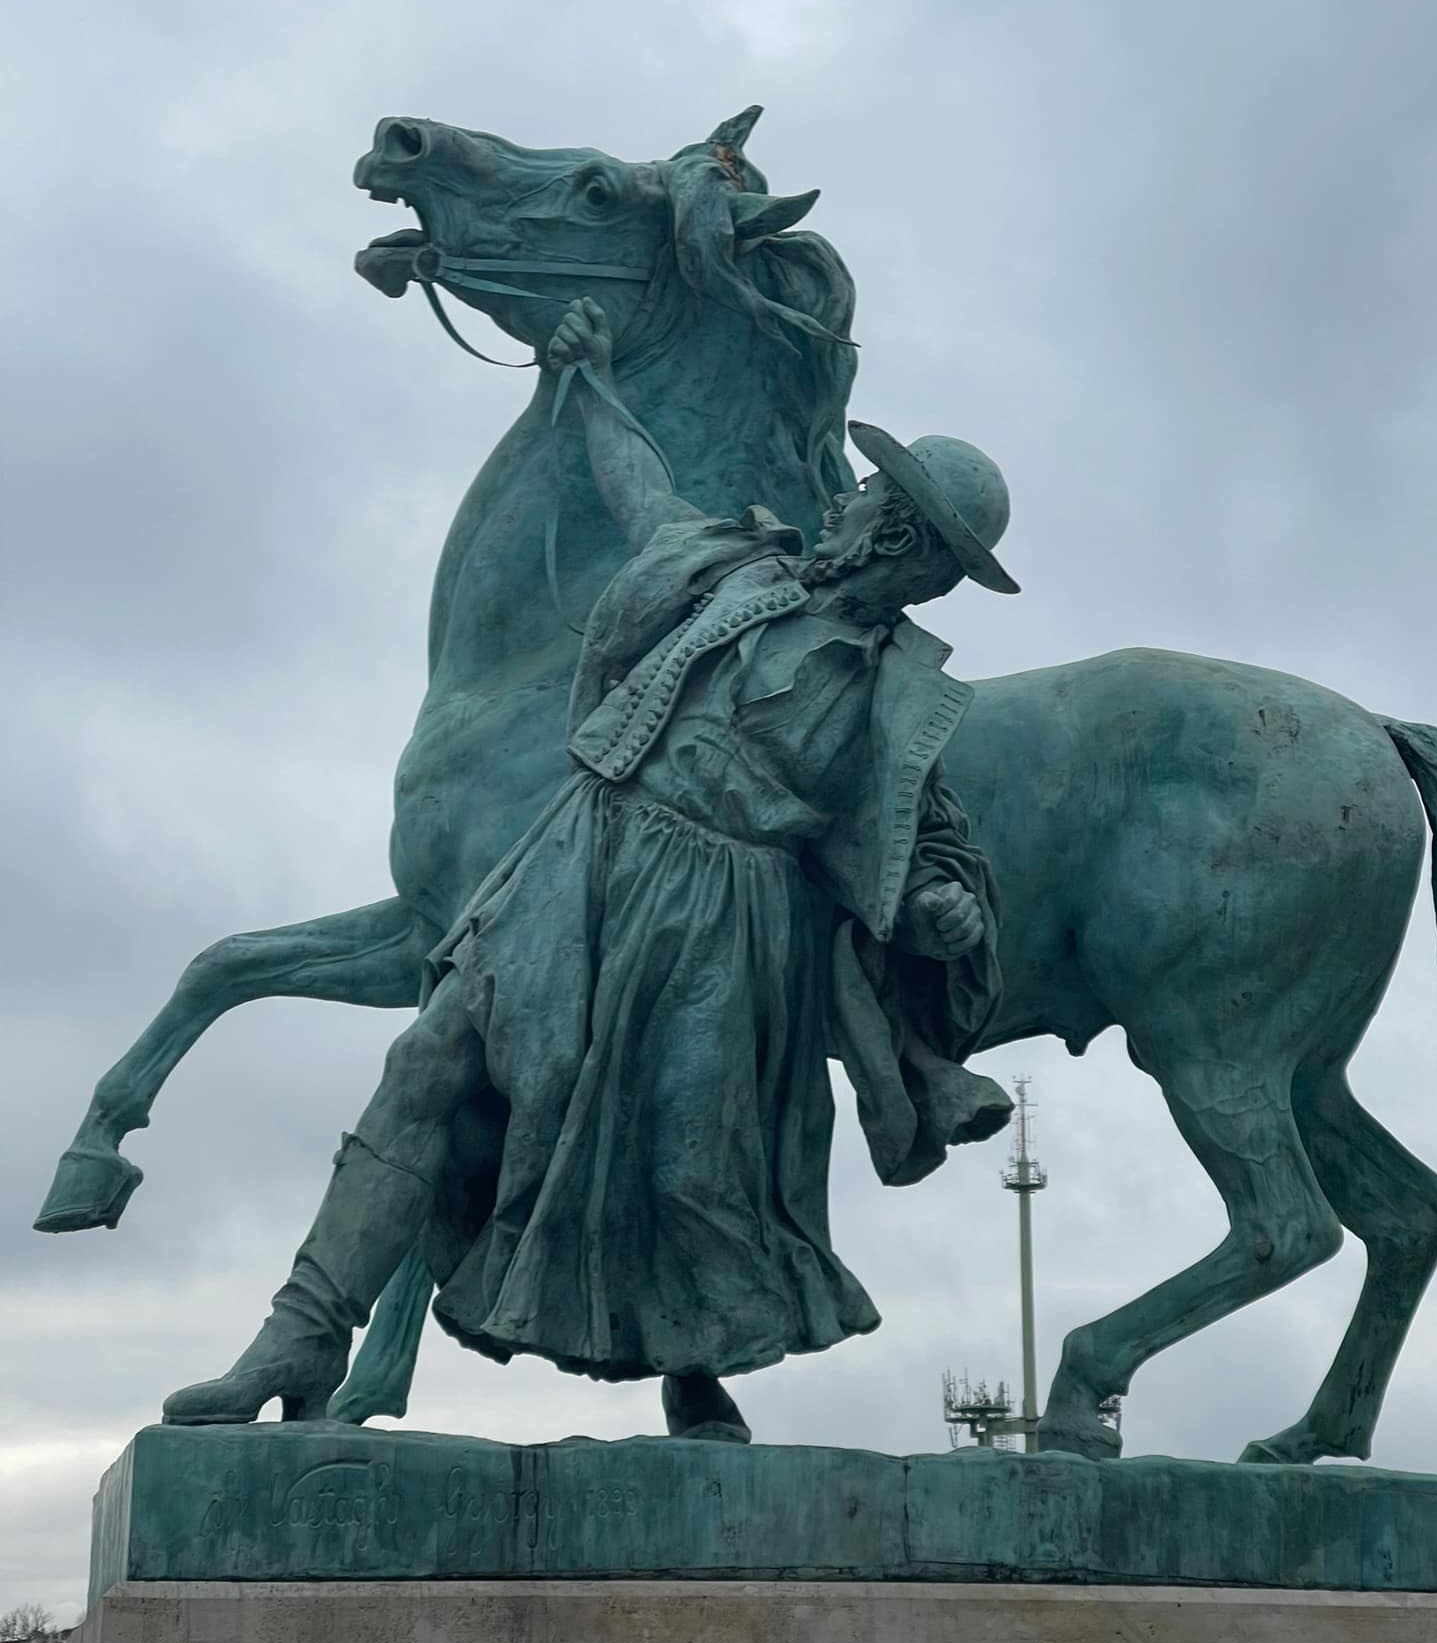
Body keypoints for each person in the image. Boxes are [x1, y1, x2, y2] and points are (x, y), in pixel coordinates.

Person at [164, 299, 1020, 1441]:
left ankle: (698, 1372)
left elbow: (912, 843)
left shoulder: (901, 694)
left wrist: (936, 907)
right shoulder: (739, 568)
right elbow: (644, 496)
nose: (850, 498)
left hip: (723, 919)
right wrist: (593, 382)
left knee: (692, 1170)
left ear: (900, 540)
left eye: (874, 494)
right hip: (584, 850)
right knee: (428, 1060)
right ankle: (302, 1333)